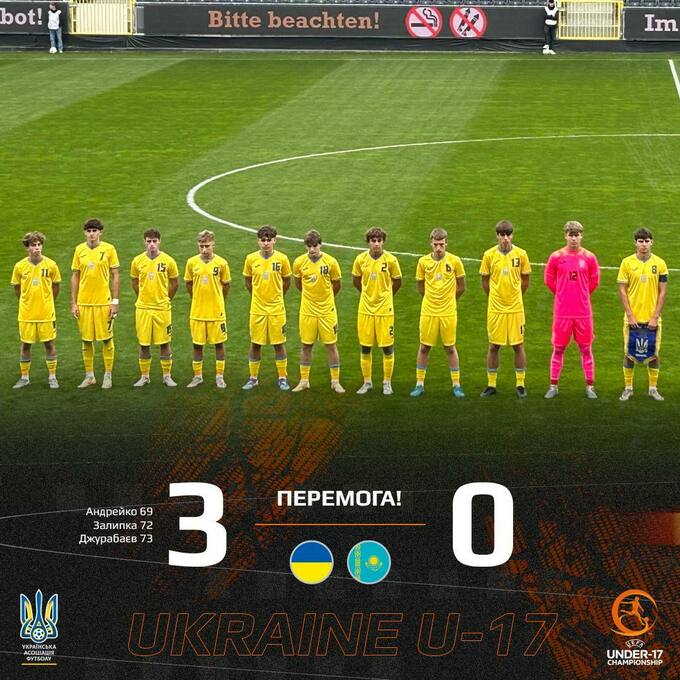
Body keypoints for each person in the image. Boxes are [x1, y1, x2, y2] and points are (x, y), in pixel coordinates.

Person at [544, 221, 600, 399]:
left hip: (583, 313)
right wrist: (562, 293)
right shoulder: (556, 257)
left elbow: (594, 281)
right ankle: (553, 386)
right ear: (565, 236)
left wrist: (581, 294)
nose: (574, 238)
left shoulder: (589, 258)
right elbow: (548, 280)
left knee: (586, 349)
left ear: (581, 236)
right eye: (571, 235)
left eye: (577, 235)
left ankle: (590, 387)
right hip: (562, 313)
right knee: (558, 349)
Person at [410, 228, 465, 398]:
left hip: (448, 312)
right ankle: (419, 384)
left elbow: (461, 287)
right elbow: (420, 287)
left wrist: (450, 301)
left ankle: (456, 385)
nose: (439, 248)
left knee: (450, 347)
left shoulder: (455, 261)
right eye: (436, 244)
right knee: (424, 347)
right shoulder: (422, 262)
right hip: (428, 311)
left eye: (441, 244)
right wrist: (430, 300)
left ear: (446, 243)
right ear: (431, 244)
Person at [479, 221, 531, 398]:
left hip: (516, 308)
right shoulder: (489, 255)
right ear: (497, 236)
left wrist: (515, 297)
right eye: (502, 235)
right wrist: (494, 297)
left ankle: (520, 384)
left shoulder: (521, 254)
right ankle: (491, 384)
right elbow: (485, 281)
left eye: (508, 235)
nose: (505, 238)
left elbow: (525, 281)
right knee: (494, 346)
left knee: (518, 345)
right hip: (496, 309)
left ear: (512, 235)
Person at [617, 228, 668, 402]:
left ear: (652, 242)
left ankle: (653, 389)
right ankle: (628, 388)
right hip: (632, 319)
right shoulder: (626, 263)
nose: (644, 244)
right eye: (640, 241)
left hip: (652, 319)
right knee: (629, 354)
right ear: (635, 243)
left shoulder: (660, 264)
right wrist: (630, 315)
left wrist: (655, 316)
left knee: (654, 354)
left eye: (647, 241)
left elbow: (662, 292)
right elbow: (622, 290)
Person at [291, 230, 344, 393]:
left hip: (327, 311)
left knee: (331, 345)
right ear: (305, 246)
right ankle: (304, 380)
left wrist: (326, 300)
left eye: (315, 246)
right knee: (306, 345)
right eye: (309, 246)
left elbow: (337, 285)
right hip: (307, 311)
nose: (312, 249)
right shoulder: (299, 262)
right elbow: (298, 283)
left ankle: (335, 381)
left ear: (320, 245)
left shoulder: (331, 262)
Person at [70, 219, 120, 390]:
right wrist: (74, 302)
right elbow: (75, 276)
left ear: (100, 232)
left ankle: (108, 375)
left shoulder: (109, 249)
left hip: (103, 303)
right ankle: (89, 376)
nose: (92, 234)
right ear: (85, 232)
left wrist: (115, 301)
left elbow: (115, 275)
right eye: (89, 231)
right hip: (84, 303)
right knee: (86, 340)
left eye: (95, 230)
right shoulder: (79, 250)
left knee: (106, 339)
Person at [352, 227, 402, 395]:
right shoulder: (360, 260)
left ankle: (387, 382)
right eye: (373, 241)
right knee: (365, 347)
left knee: (387, 347)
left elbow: (397, 281)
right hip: (365, 309)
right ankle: (367, 382)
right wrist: (367, 294)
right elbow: (356, 280)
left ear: (383, 242)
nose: (376, 244)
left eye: (379, 241)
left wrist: (386, 296)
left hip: (384, 310)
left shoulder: (391, 260)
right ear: (368, 242)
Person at [242, 225, 292, 391]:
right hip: (257, 309)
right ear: (258, 241)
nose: (265, 243)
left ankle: (282, 378)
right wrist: (257, 296)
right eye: (262, 240)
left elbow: (287, 281)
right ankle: (253, 378)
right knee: (255, 343)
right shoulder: (250, 259)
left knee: (279, 344)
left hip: (277, 309)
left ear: (274, 241)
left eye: (268, 240)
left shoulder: (282, 259)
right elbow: (248, 281)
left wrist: (277, 296)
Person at [11, 231, 61, 389]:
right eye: (33, 245)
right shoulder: (19, 266)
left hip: (46, 313)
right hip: (26, 314)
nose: (37, 248)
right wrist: (26, 301)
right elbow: (17, 288)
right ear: (27, 248)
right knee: (25, 345)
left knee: (49, 344)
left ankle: (52, 377)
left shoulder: (51, 265)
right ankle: (24, 377)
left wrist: (48, 301)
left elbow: (56, 286)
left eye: (39, 244)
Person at [130, 229, 179, 387]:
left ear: (159, 242)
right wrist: (142, 297)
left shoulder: (168, 261)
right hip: (143, 308)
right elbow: (134, 282)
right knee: (144, 344)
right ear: (144, 242)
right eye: (149, 241)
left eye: (154, 241)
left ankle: (167, 376)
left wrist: (166, 299)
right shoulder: (137, 261)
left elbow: (175, 283)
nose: (152, 244)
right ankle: (145, 376)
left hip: (162, 309)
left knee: (165, 343)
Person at [184, 230, 231, 389]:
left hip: (216, 312)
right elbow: (188, 283)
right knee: (197, 345)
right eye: (201, 246)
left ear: (213, 245)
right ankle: (197, 376)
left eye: (207, 246)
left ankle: (220, 377)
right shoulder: (191, 263)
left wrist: (219, 300)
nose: (204, 249)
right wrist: (196, 298)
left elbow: (226, 285)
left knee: (219, 344)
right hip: (197, 312)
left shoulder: (222, 263)